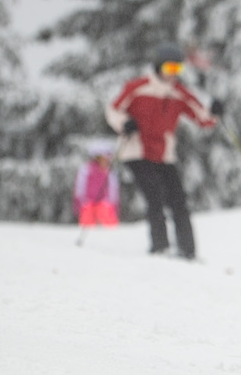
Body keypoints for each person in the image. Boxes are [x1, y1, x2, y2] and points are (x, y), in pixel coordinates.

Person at [106, 43, 222, 258]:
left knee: (178, 200)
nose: (173, 75)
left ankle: (187, 250)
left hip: (164, 153)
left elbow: (201, 117)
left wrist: (214, 113)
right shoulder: (138, 86)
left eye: (178, 70)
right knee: (154, 197)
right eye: (170, 69)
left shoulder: (179, 93)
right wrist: (124, 123)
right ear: (158, 67)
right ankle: (160, 246)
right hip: (136, 150)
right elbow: (113, 110)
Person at [74, 140, 119, 227]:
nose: (107, 160)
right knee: (87, 223)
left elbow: (114, 190)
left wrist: (113, 204)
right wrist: (80, 202)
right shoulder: (86, 169)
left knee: (109, 223)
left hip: (105, 203)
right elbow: (80, 188)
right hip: (88, 203)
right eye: (105, 157)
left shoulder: (110, 172)